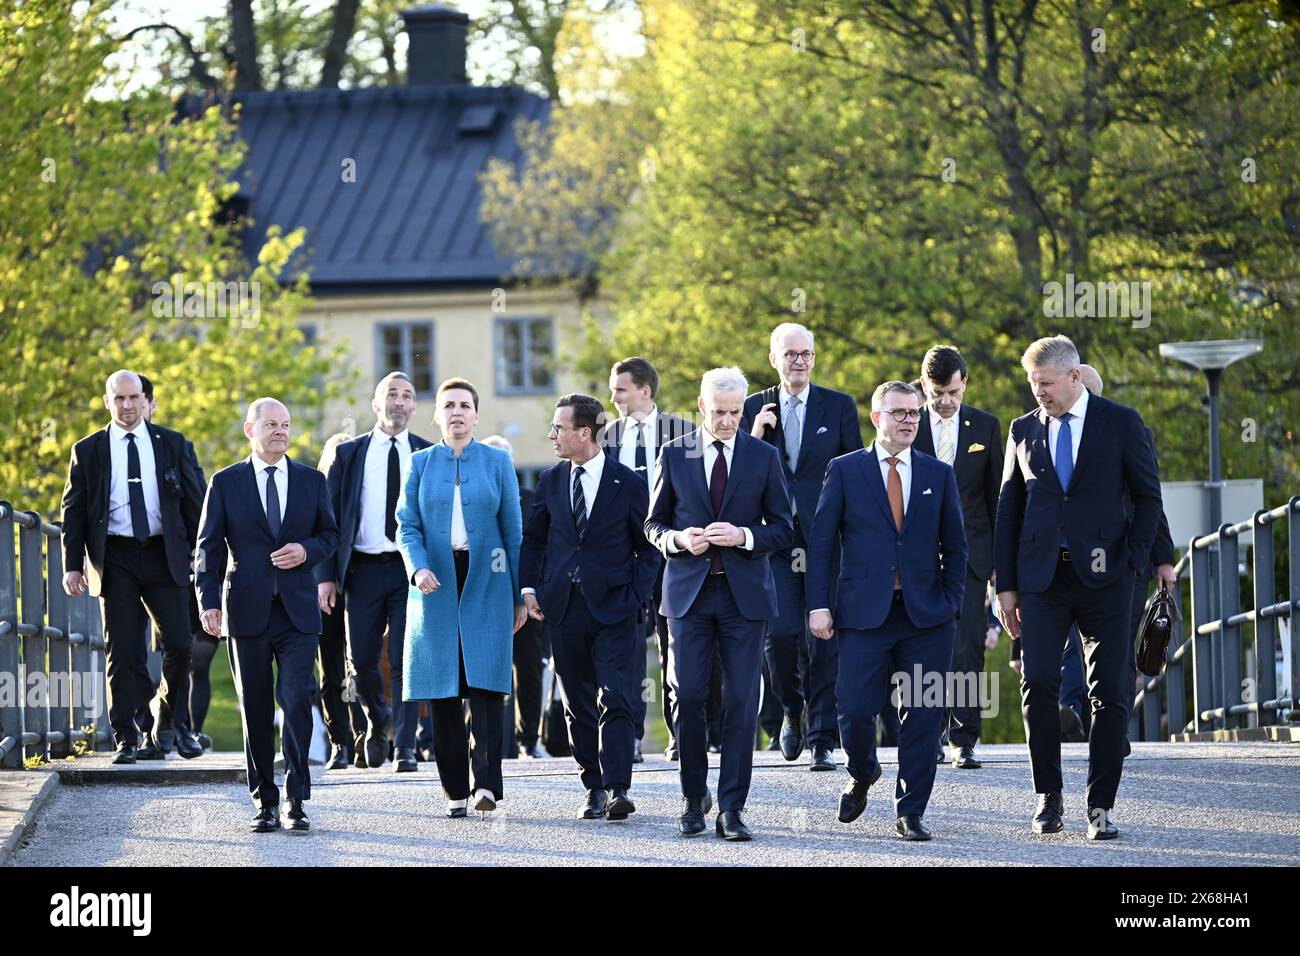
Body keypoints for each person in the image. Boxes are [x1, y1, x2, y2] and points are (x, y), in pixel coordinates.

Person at [995, 336, 1163, 840]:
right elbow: (1009, 509)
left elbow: (1147, 497)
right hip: (1042, 582)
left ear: (1073, 377)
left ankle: (1100, 805)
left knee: (1109, 691)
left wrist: (1135, 564)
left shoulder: (1121, 423)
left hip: (1107, 582)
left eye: (1045, 383)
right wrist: (1006, 588)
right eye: (1032, 383)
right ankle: (1048, 796)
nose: (1038, 392)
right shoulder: (1022, 429)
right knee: (1039, 681)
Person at [807, 381, 967, 841]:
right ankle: (863, 771)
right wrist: (819, 605)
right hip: (861, 614)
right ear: (876, 419)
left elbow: (956, 547)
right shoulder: (844, 470)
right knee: (855, 709)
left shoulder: (939, 474)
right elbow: (821, 545)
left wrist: (951, 602)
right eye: (899, 413)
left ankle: (910, 809)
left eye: (914, 413)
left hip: (926, 617)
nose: (909, 420)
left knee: (923, 712)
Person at [645, 367, 793, 841]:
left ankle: (732, 807)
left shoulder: (763, 455)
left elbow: (785, 527)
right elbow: (653, 525)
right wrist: (677, 540)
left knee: (741, 702)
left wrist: (744, 535)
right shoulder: (674, 453)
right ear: (702, 405)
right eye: (720, 412)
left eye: (736, 412)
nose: (729, 421)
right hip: (687, 595)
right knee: (687, 696)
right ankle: (693, 798)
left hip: (743, 596)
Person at [195, 398, 339, 833]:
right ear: (249, 430)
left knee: (296, 700)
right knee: (254, 709)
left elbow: (330, 535)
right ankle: (265, 800)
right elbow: (208, 547)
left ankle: (297, 798)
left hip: (297, 611)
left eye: (285, 424)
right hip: (246, 610)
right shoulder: (225, 482)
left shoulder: (312, 481)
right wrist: (208, 602)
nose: (280, 431)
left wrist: (306, 551)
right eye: (271, 424)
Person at [521, 395, 660, 821]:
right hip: (562, 608)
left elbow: (648, 547)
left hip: (616, 608)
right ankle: (593, 788)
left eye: (558, 428)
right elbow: (536, 540)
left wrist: (637, 596)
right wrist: (530, 590)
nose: (551, 435)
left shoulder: (629, 482)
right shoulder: (550, 480)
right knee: (576, 703)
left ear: (585, 432)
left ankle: (618, 787)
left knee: (616, 696)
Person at [396, 378, 526, 818]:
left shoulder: (497, 463)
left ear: (475, 414)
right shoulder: (419, 463)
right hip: (434, 581)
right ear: (437, 415)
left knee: (486, 685)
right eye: (448, 405)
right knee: (444, 690)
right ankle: (454, 789)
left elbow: (513, 531)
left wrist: (518, 596)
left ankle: (486, 785)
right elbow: (406, 524)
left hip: (487, 578)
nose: (456, 412)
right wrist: (417, 567)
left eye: (464, 405)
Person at [61, 370, 206, 763]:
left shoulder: (173, 444)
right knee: (124, 651)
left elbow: (197, 503)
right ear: (107, 401)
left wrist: (207, 555)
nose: (127, 406)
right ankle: (127, 735)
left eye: (134, 398)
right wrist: (72, 565)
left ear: (146, 400)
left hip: (165, 554)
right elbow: (73, 511)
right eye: (119, 398)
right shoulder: (88, 449)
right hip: (116, 556)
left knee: (179, 643)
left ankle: (168, 719)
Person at [742, 322, 863, 770]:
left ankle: (822, 737)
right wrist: (754, 434)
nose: (799, 360)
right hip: (773, 539)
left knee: (824, 638)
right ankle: (792, 709)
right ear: (774, 359)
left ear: (814, 357)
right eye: (790, 353)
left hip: (825, 539)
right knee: (779, 636)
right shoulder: (753, 406)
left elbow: (856, 471)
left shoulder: (839, 406)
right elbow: (736, 477)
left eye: (806, 353)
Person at [317, 372, 434, 772]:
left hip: (408, 572)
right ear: (375, 404)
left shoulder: (427, 454)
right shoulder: (349, 455)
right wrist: (325, 576)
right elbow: (327, 519)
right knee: (362, 659)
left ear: (414, 407)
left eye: (407, 396)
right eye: (391, 395)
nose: (399, 402)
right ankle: (377, 718)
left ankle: (404, 747)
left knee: (406, 659)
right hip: (362, 570)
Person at [602, 356, 699, 761]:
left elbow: (695, 494)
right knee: (626, 647)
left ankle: (682, 734)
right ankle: (632, 737)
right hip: (622, 557)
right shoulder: (606, 436)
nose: (613, 397)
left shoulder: (685, 432)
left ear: (645, 390)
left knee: (674, 642)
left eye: (620, 389)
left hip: (671, 554)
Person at [912, 345, 1003, 769]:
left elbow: (994, 499)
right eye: (937, 392)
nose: (945, 401)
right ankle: (923, 734)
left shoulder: (985, 427)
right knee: (920, 646)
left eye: (952, 391)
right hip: (916, 554)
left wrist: (999, 566)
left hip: (970, 556)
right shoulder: (907, 422)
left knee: (967, 648)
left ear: (964, 382)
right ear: (924, 384)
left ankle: (962, 737)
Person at [482, 434, 549, 759]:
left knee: (529, 667)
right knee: (480, 670)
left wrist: (523, 598)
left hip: (525, 596)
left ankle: (527, 740)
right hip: (481, 600)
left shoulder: (531, 501)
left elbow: (536, 552)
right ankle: (478, 739)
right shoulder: (471, 502)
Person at [315, 431, 370, 768]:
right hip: (322, 590)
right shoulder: (313, 492)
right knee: (330, 670)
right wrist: (324, 579)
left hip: (358, 586)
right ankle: (340, 741)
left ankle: (365, 736)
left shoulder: (362, 496)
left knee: (359, 667)